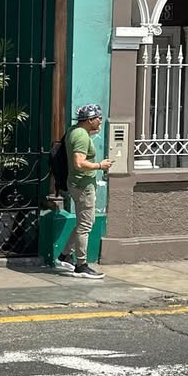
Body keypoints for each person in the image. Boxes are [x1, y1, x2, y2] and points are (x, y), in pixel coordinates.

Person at [60, 104, 111, 280]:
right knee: (85, 226)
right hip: (83, 186)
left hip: (78, 184)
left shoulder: (76, 131)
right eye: (98, 118)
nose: (100, 121)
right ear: (90, 120)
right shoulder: (81, 136)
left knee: (84, 222)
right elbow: (79, 163)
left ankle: (65, 255)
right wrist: (100, 166)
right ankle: (81, 265)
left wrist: (91, 133)